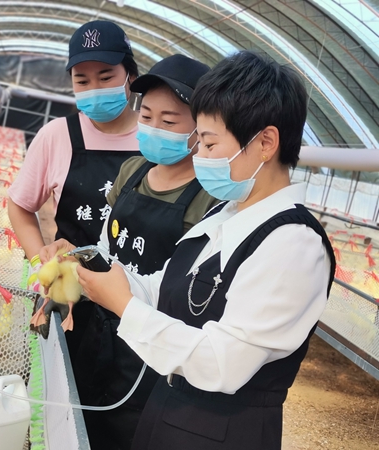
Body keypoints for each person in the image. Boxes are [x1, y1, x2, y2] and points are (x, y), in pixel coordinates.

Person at [75, 51, 336, 450]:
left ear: (266, 142)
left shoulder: (294, 244)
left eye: (211, 143)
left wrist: (124, 307)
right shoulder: (224, 214)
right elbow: (164, 289)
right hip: (167, 415)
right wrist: (108, 280)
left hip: (222, 434)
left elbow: (222, 363)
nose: (199, 155)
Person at [39, 55, 218, 450]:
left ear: (201, 130)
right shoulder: (132, 171)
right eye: (147, 116)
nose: (153, 129)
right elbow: (108, 247)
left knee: (126, 433)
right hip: (101, 331)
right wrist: (76, 259)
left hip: (150, 347)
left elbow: (186, 291)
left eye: (169, 122)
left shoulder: (209, 198)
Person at [7, 19, 141, 433]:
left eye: (106, 76)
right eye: (82, 80)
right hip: (70, 304)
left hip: (135, 306)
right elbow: (19, 205)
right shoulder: (57, 136)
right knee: (60, 413)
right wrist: (41, 262)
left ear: (130, 76)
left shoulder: (156, 141)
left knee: (121, 423)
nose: (94, 88)